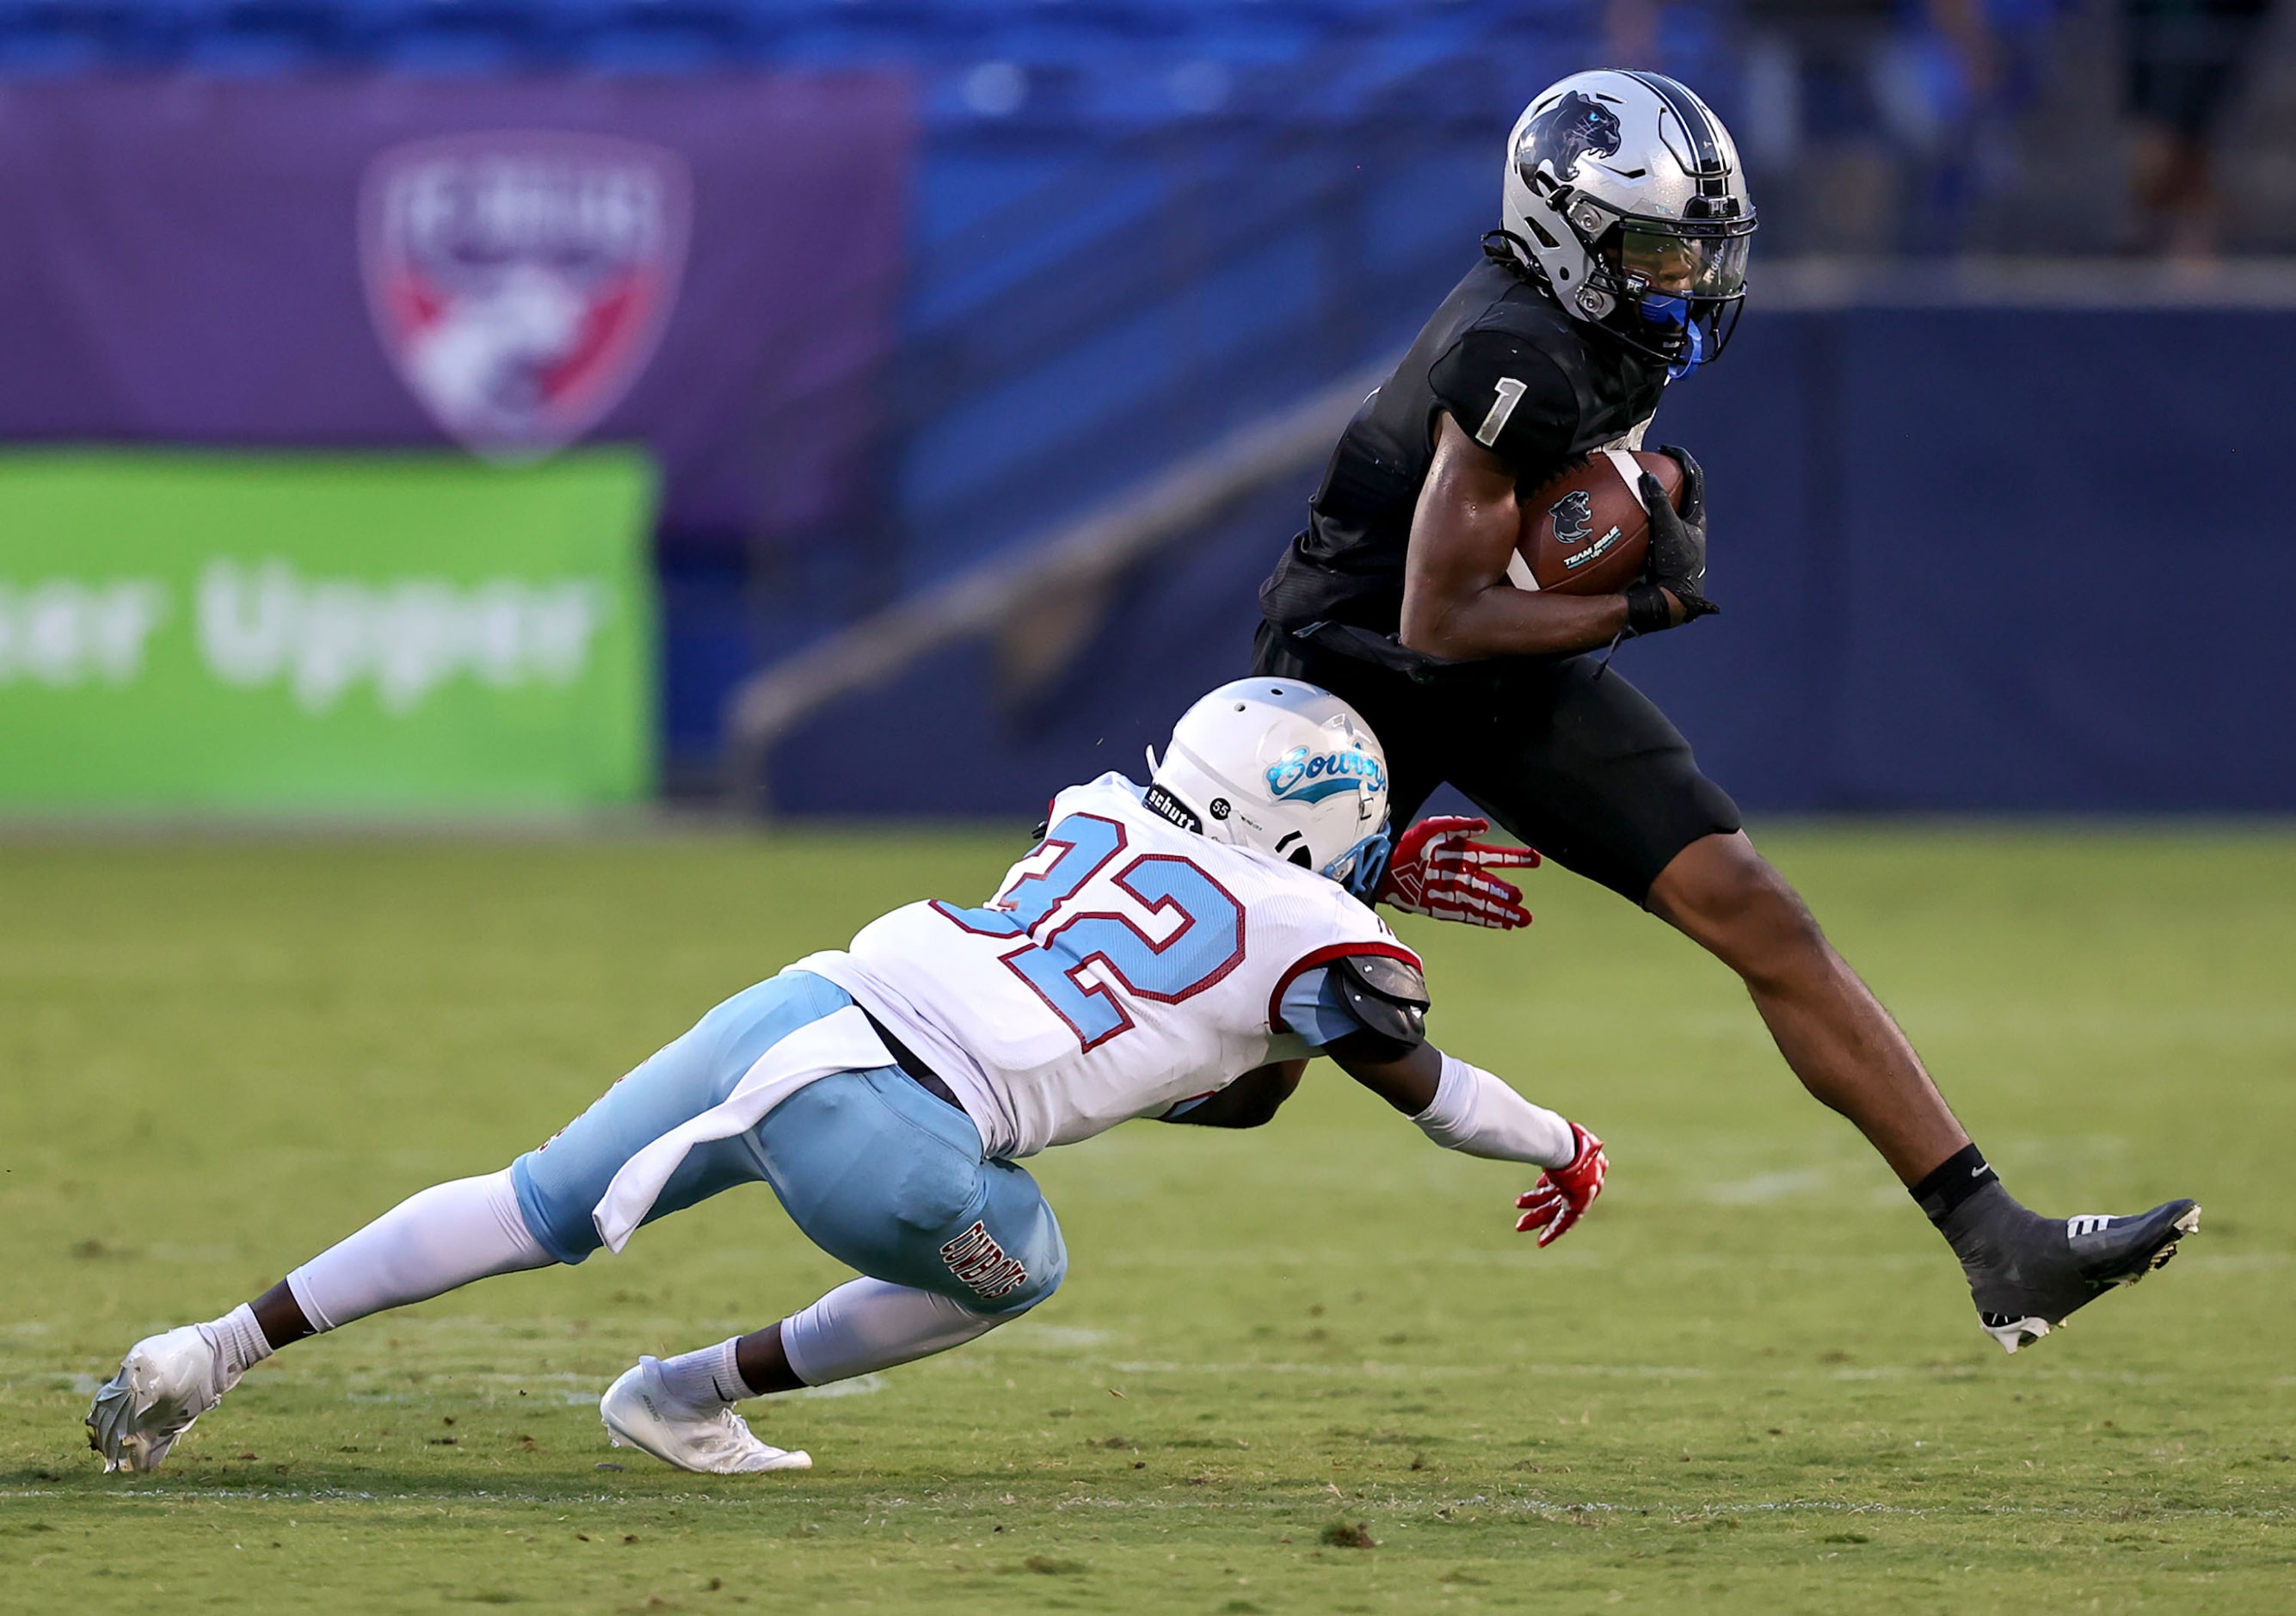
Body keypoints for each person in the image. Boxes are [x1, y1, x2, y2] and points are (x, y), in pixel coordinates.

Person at [1250, 69, 2198, 1355]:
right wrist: (1633, 606)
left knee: (1757, 909)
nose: (1683, 274)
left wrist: (1624, 532)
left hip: (1494, 667)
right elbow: (1436, 620)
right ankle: (970, 1059)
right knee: (1243, 1075)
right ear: (1561, 228)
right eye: (1653, 245)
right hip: (1353, 676)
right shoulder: (1508, 351)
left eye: (1698, 247)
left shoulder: (1606, 330)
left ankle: (1999, 1243)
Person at [85, 680, 1608, 1477]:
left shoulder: (1098, 807)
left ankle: (209, 1347)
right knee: (1022, 1262)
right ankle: (680, 1393)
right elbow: (1429, 1089)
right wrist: (1559, 1138)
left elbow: (1229, 1031)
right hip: (895, 1136)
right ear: (1310, 845)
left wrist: (1337, 900)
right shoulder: (1322, 925)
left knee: (534, 1197)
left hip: (798, 1003)